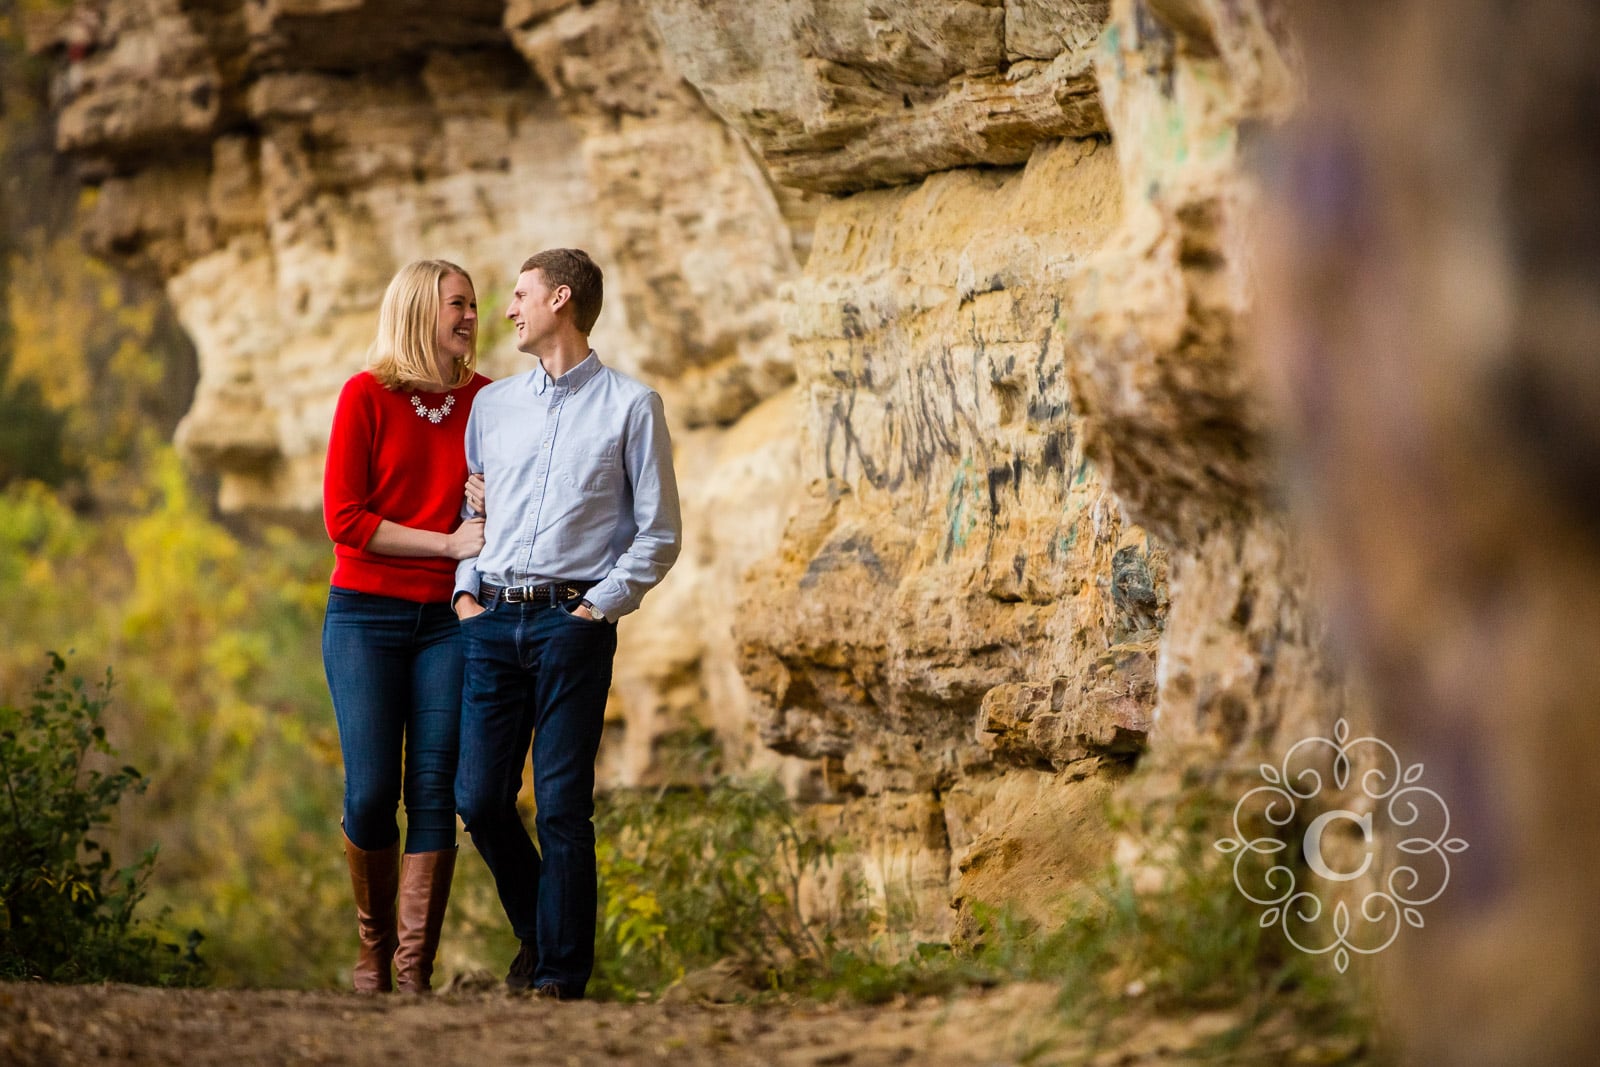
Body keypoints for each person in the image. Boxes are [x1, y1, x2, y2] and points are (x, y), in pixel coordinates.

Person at [452, 248, 681, 1000]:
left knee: (561, 805)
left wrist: (596, 607)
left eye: (519, 296)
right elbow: (473, 512)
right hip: (492, 621)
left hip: (571, 625)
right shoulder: (493, 408)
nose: (508, 309)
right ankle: (538, 928)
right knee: (479, 798)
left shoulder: (632, 405)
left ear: (560, 298)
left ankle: (559, 978)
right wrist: (465, 595)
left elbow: (658, 532)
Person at [321, 259, 492, 993]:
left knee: (434, 790)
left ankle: (411, 973)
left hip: (449, 623)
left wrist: (489, 503)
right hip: (364, 614)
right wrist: (449, 541)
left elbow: (512, 504)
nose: (471, 318)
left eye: (476, 306)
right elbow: (345, 520)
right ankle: (372, 949)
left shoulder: (490, 401)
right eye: (458, 304)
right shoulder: (365, 395)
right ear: (422, 310)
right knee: (367, 793)